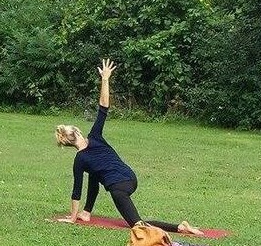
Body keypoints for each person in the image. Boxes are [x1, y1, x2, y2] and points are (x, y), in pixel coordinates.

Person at [54, 58, 204, 236]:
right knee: (95, 174)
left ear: (68, 143)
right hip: (130, 178)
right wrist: (105, 79)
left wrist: (72, 218)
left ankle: (180, 227)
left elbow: (76, 190)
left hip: (119, 187)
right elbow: (103, 106)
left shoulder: (80, 160)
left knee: (137, 225)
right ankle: (87, 212)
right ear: (77, 132)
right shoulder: (95, 136)